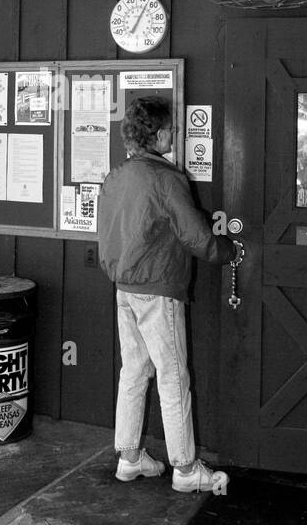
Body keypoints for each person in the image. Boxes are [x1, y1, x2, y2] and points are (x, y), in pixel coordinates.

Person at [97, 96, 241, 493]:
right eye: (172, 130)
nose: (175, 135)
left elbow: (105, 235)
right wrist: (229, 250)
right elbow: (197, 238)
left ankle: (129, 458)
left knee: (134, 371)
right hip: (159, 290)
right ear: (158, 134)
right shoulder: (167, 178)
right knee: (173, 377)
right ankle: (185, 467)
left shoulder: (116, 176)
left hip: (123, 288)